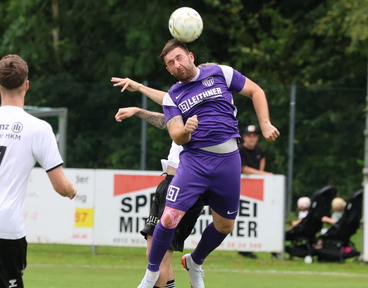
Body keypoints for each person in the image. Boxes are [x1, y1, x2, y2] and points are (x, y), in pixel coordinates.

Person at [135, 39, 279, 288]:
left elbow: (256, 91)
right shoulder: (173, 96)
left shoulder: (220, 72)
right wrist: (186, 131)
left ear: (190, 56)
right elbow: (175, 133)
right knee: (168, 218)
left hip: (228, 161)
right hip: (195, 162)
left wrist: (264, 123)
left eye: (179, 58)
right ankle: (150, 276)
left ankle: (195, 261)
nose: (176, 64)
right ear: (168, 70)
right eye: (170, 63)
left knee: (225, 225)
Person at [0, 54, 77, 288]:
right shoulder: (38, 128)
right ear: (27, 85)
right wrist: (71, 189)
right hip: (4, 227)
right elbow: (60, 186)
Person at [112, 80, 204, 288]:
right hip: (169, 184)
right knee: (155, 255)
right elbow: (169, 119)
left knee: (160, 257)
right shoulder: (190, 109)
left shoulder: (209, 109)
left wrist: (141, 88)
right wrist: (137, 110)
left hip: (184, 187)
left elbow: (167, 100)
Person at [237, 124, 272, 259]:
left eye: (254, 136)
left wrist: (261, 173)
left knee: (257, 216)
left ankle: (257, 245)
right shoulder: (240, 150)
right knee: (244, 217)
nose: (251, 139)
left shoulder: (259, 150)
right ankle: (243, 247)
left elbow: (262, 159)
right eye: (249, 136)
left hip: (255, 187)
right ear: (244, 137)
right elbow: (244, 169)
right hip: (242, 186)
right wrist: (263, 174)